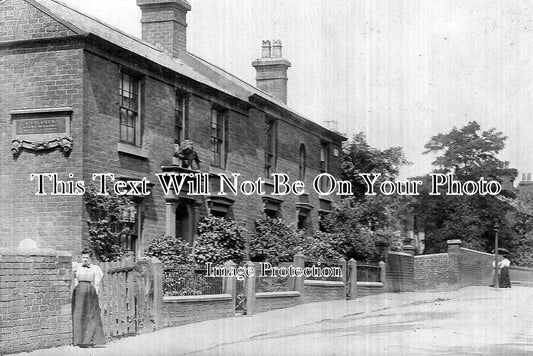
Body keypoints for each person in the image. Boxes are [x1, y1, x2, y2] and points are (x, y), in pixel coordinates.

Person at [71, 248, 106, 348]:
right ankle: (79, 340)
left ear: (90, 258)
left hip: (90, 292)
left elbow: (97, 283)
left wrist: (96, 294)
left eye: (87, 257)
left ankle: (90, 340)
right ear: (81, 258)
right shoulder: (77, 267)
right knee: (79, 314)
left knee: (90, 315)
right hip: (78, 292)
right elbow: (74, 279)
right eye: (83, 257)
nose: (85, 259)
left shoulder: (95, 268)